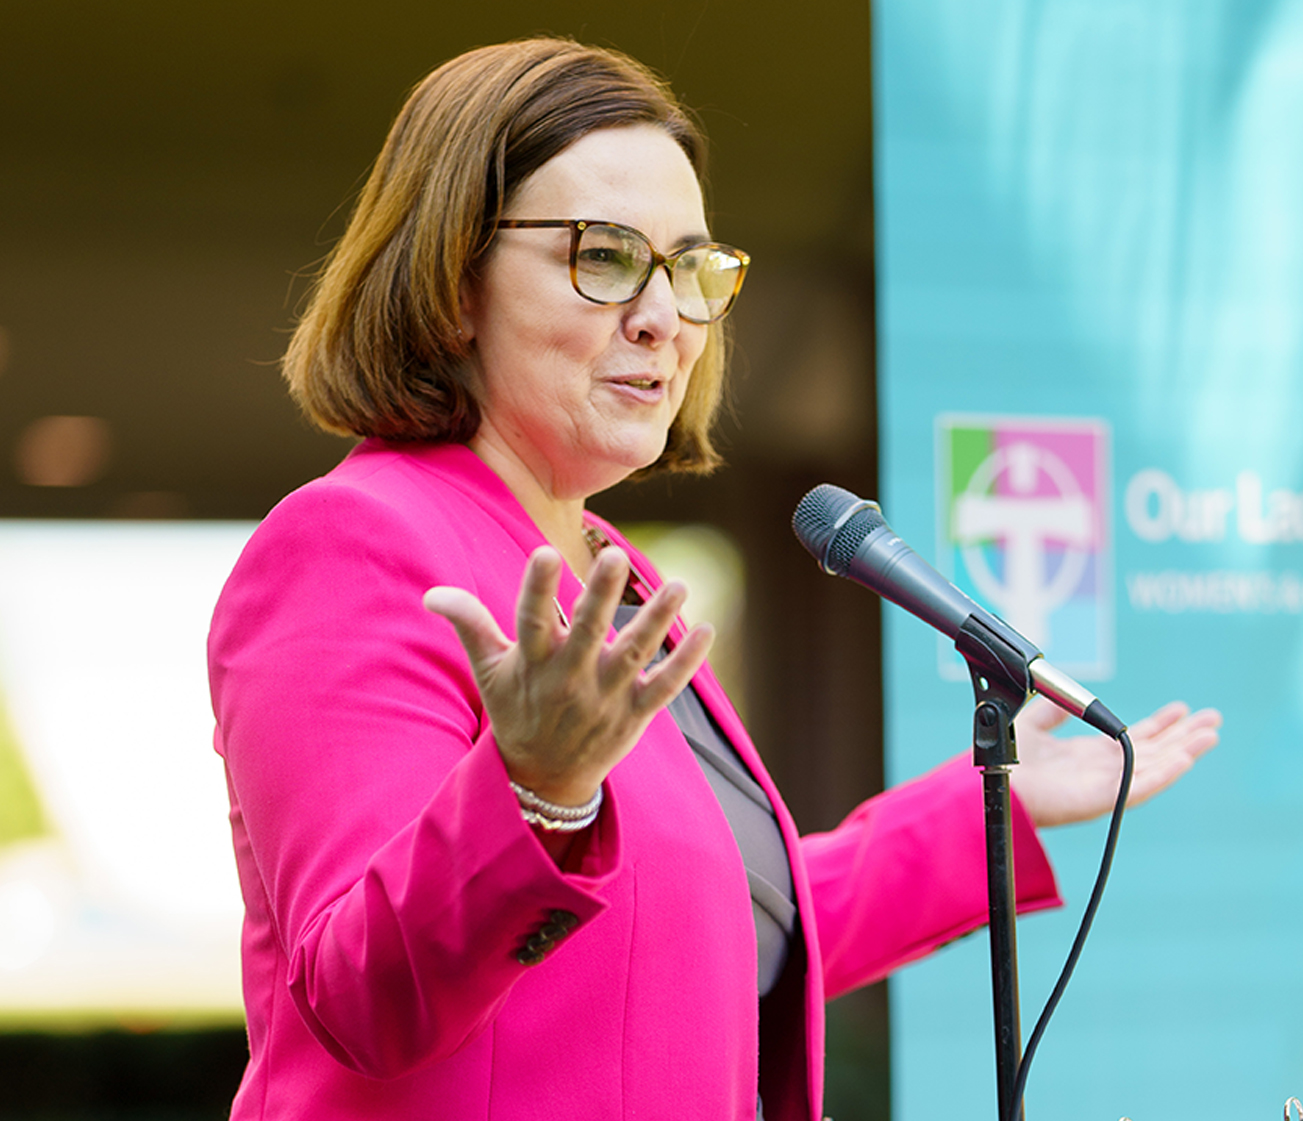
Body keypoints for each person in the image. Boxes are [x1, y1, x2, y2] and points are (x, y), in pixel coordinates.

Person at [208, 36, 1221, 1121]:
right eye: (602, 254)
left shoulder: (618, 576)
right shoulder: (351, 543)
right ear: (454, 284)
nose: (662, 316)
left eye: (689, 268)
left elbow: (714, 929)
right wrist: (531, 793)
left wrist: (982, 809)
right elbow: (360, 992)